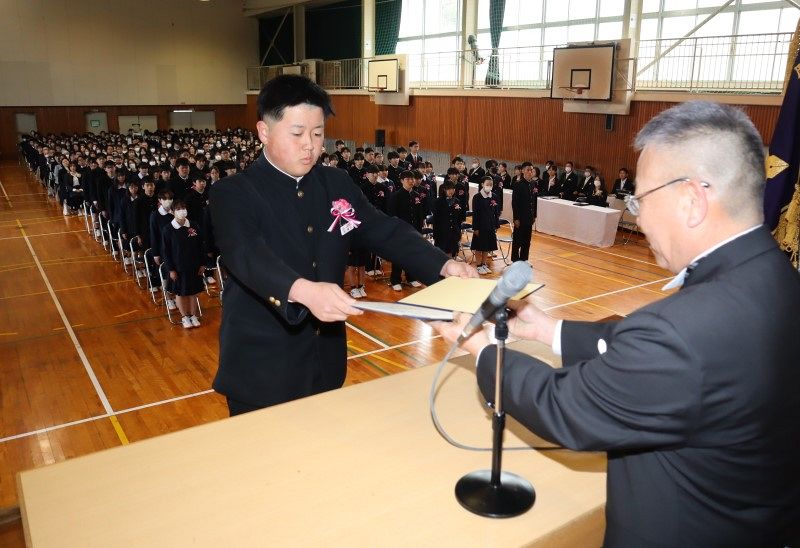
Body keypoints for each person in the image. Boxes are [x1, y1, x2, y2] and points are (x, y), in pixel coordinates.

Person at [433, 101, 800, 547]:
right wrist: (549, 330)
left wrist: (485, 350)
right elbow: (663, 361)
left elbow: (564, 408)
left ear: (692, 199)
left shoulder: (682, 329)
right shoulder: (775, 277)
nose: (638, 217)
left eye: (640, 199)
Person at [210, 75, 476, 416]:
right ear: (264, 131)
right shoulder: (234, 193)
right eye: (297, 133)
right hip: (262, 369)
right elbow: (246, 254)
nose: (310, 144)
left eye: (318, 133)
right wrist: (304, 290)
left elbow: (382, 229)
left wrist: (443, 265)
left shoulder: (334, 182)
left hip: (325, 362)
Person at [161, 199, 205, 329]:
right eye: (179, 208)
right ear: (173, 211)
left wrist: (202, 263)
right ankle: (184, 317)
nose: (182, 210)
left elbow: (200, 246)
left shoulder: (194, 225)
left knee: (193, 292)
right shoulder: (168, 229)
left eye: (184, 207)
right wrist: (171, 269)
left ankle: (193, 315)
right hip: (178, 267)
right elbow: (166, 251)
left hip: (194, 265)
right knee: (180, 293)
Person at [470, 176, 500, 274]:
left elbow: (496, 212)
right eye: (487, 184)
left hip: (490, 225)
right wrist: (475, 228)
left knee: (487, 246)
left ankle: (484, 264)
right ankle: (478, 265)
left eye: (491, 184)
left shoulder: (494, 196)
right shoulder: (477, 197)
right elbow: (476, 214)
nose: (489, 186)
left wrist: (496, 225)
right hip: (480, 225)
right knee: (479, 246)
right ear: (482, 184)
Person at [510, 162, 538, 262]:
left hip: (529, 217)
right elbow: (514, 203)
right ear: (522, 171)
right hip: (520, 218)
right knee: (517, 240)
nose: (530, 172)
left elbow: (534, 201)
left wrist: (534, 215)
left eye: (531, 170)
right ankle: (515, 259)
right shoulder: (518, 184)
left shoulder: (533, 184)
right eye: (528, 170)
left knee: (527, 240)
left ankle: (524, 258)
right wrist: (516, 218)